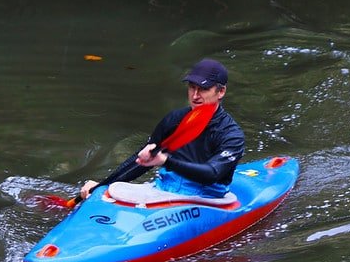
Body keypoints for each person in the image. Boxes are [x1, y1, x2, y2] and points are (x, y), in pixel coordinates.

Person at [79, 58, 245, 200]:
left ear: (221, 91)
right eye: (192, 87)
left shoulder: (231, 135)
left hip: (206, 198)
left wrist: (166, 161)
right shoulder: (174, 120)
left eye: (203, 89)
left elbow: (212, 174)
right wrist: (103, 186)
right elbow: (142, 161)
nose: (195, 96)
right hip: (164, 189)